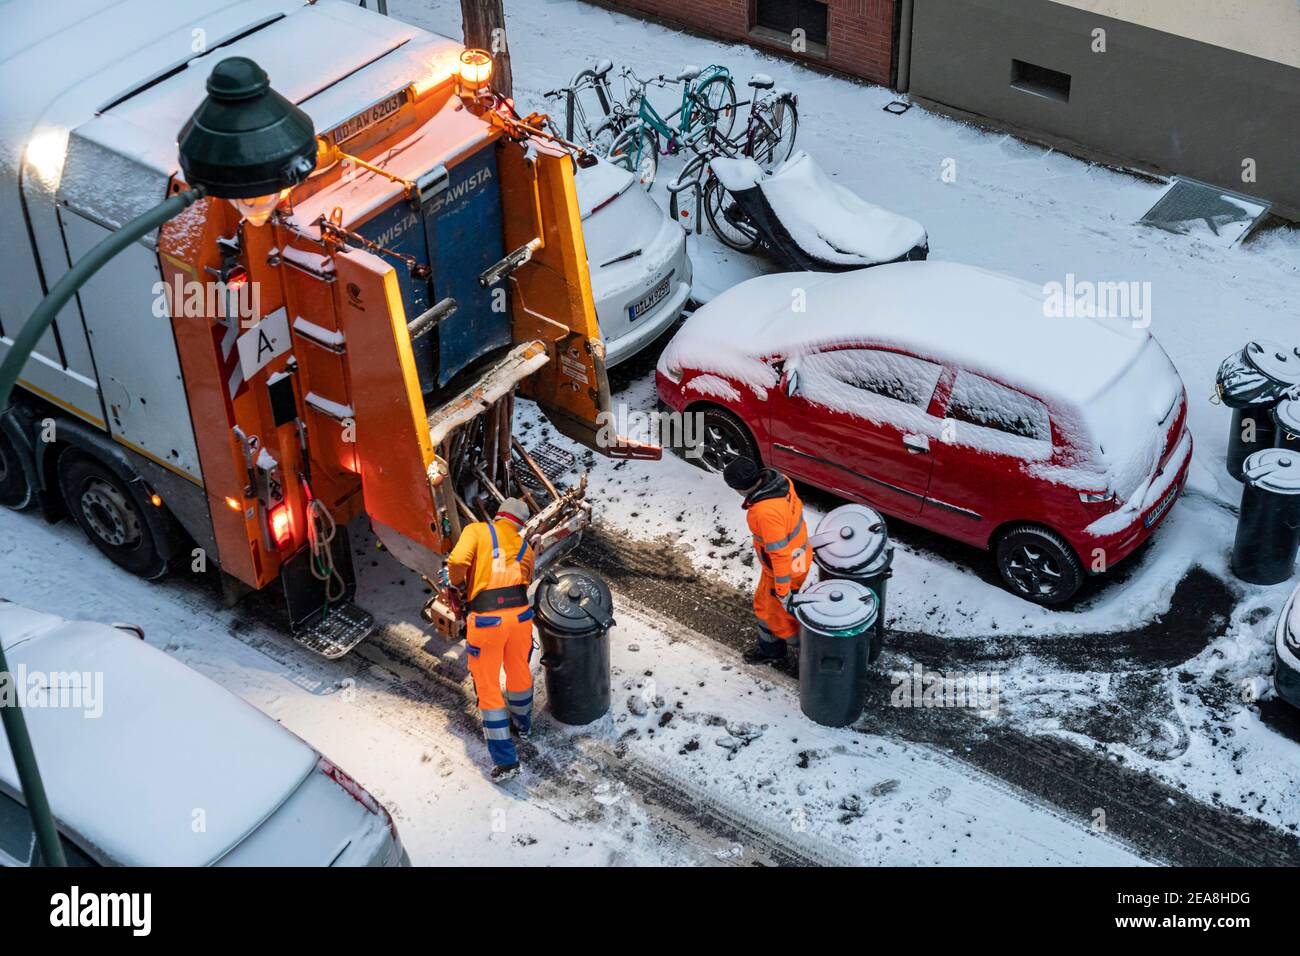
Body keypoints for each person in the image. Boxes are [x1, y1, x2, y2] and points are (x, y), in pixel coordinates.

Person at [442, 497, 535, 782]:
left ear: (499, 516)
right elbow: (526, 579)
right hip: (520, 618)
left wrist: (456, 581)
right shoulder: (524, 547)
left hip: (487, 620)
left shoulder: (477, 531)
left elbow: (457, 561)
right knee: (519, 671)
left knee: (489, 686)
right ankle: (523, 725)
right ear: (518, 525)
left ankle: (507, 762)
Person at [723, 457, 810, 667]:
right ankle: (790, 646)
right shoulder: (781, 481)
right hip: (800, 556)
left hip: (784, 570)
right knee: (769, 606)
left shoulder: (764, 512)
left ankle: (793, 652)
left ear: (739, 489)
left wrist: (782, 591)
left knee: (774, 616)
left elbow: (779, 555)